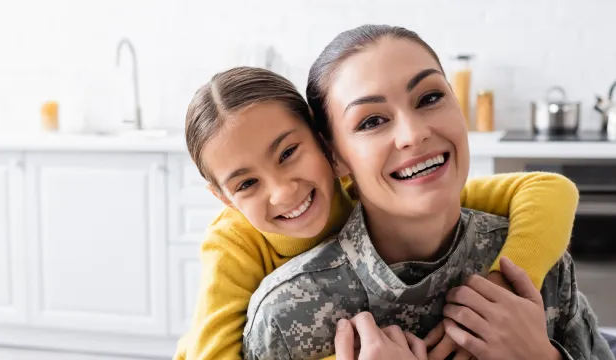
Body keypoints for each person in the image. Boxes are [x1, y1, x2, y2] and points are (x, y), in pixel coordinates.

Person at [241, 24, 614, 360]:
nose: (413, 133)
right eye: (372, 121)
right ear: (335, 156)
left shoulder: (536, 265)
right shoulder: (285, 315)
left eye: (429, 98)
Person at [176, 71, 580, 359]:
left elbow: (549, 188)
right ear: (224, 199)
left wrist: (503, 284)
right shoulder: (233, 243)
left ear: (325, 145)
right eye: (246, 184)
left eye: (287, 154)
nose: (282, 191)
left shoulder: (374, 189)